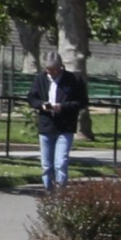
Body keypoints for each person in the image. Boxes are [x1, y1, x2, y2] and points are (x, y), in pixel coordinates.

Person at [28, 46, 86, 192]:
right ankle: (49, 191)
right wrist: (42, 105)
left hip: (65, 127)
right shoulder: (40, 79)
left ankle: (61, 192)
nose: (53, 73)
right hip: (46, 126)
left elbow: (82, 101)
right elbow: (31, 98)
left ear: (61, 67)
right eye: (49, 69)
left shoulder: (73, 79)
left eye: (55, 69)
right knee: (47, 165)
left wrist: (64, 106)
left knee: (61, 162)